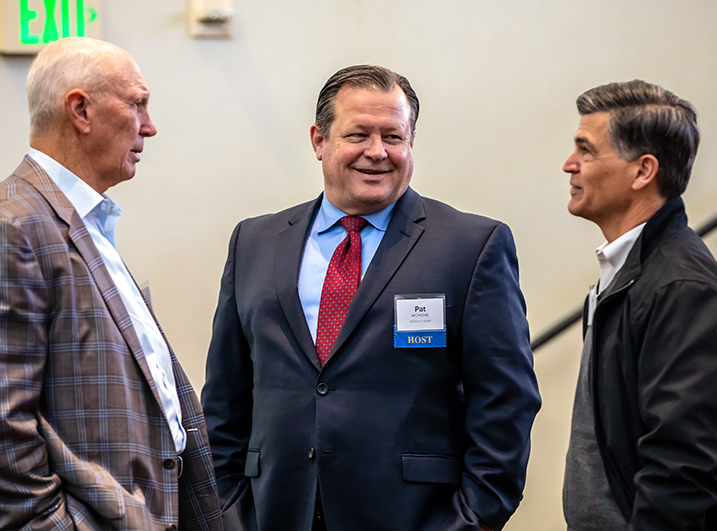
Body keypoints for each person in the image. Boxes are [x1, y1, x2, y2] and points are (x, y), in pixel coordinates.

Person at [202, 64, 540, 531]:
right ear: (319, 140)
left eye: (394, 137)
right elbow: (225, 398)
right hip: (272, 512)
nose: (377, 153)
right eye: (358, 134)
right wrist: (225, 510)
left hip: (415, 519)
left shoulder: (471, 246)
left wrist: (472, 521)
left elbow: (507, 403)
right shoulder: (254, 242)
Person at [0, 37, 222, 530]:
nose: (150, 126)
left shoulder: (84, 221)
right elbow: (5, 427)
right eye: (137, 103)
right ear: (80, 110)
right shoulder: (15, 226)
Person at [562, 80, 717, 530]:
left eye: (586, 150)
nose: (569, 165)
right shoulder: (629, 272)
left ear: (642, 171)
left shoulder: (680, 287)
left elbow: (683, 466)